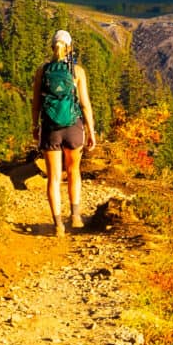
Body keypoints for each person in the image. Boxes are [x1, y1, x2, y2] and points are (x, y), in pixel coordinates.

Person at [32, 28, 97, 237]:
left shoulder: (42, 71)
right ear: (70, 48)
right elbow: (85, 104)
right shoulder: (77, 72)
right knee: (74, 171)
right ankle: (76, 216)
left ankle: (58, 224)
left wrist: (35, 126)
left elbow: (36, 103)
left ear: (53, 47)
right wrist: (91, 130)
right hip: (73, 127)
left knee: (53, 177)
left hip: (51, 128)